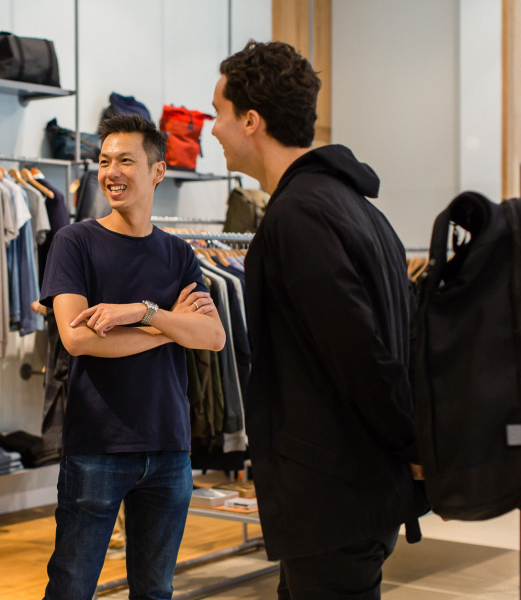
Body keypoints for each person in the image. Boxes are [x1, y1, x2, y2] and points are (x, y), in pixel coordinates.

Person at [210, 41, 428, 599]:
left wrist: (413, 447)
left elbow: (359, 353)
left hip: (336, 493)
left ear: (251, 121)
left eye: (219, 113)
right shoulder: (357, 209)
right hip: (352, 490)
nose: (213, 130)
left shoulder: (299, 216)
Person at [39, 114, 226, 599]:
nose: (111, 172)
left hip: (169, 445)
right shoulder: (74, 241)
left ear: (158, 170)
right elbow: (78, 339)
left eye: (125, 160)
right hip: (97, 445)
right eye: (104, 161)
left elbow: (212, 336)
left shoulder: (178, 253)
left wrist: (141, 313)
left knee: (155, 590)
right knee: (71, 587)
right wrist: (168, 327)